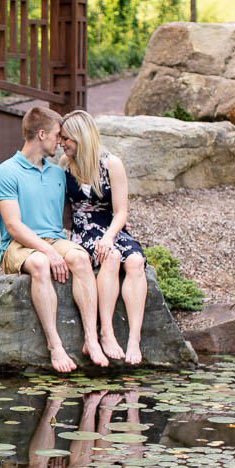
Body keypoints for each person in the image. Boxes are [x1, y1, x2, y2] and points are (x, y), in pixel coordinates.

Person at [0, 106, 108, 373]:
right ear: (42, 134)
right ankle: (54, 345)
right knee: (42, 264)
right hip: (17, 245)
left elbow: (79, 209)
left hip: (55, 240)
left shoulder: (58, 173)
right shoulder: (6, 171)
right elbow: (13, 225)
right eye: (58, 135)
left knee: (80, 258)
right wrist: (49, 252)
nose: (61, 141)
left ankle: (91, 339)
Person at [59, 110, 148, 365]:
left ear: (82, 137)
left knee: (135, 262)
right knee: (111, 258)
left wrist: (109, 236)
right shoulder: (65, 166)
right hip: (83, 229)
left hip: (111, 227)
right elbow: (64, 212)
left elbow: (121, 212)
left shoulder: (112, 164)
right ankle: (106, 332)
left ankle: (134, 338)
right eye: (62, 138)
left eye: (67, 138)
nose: (62, 143)